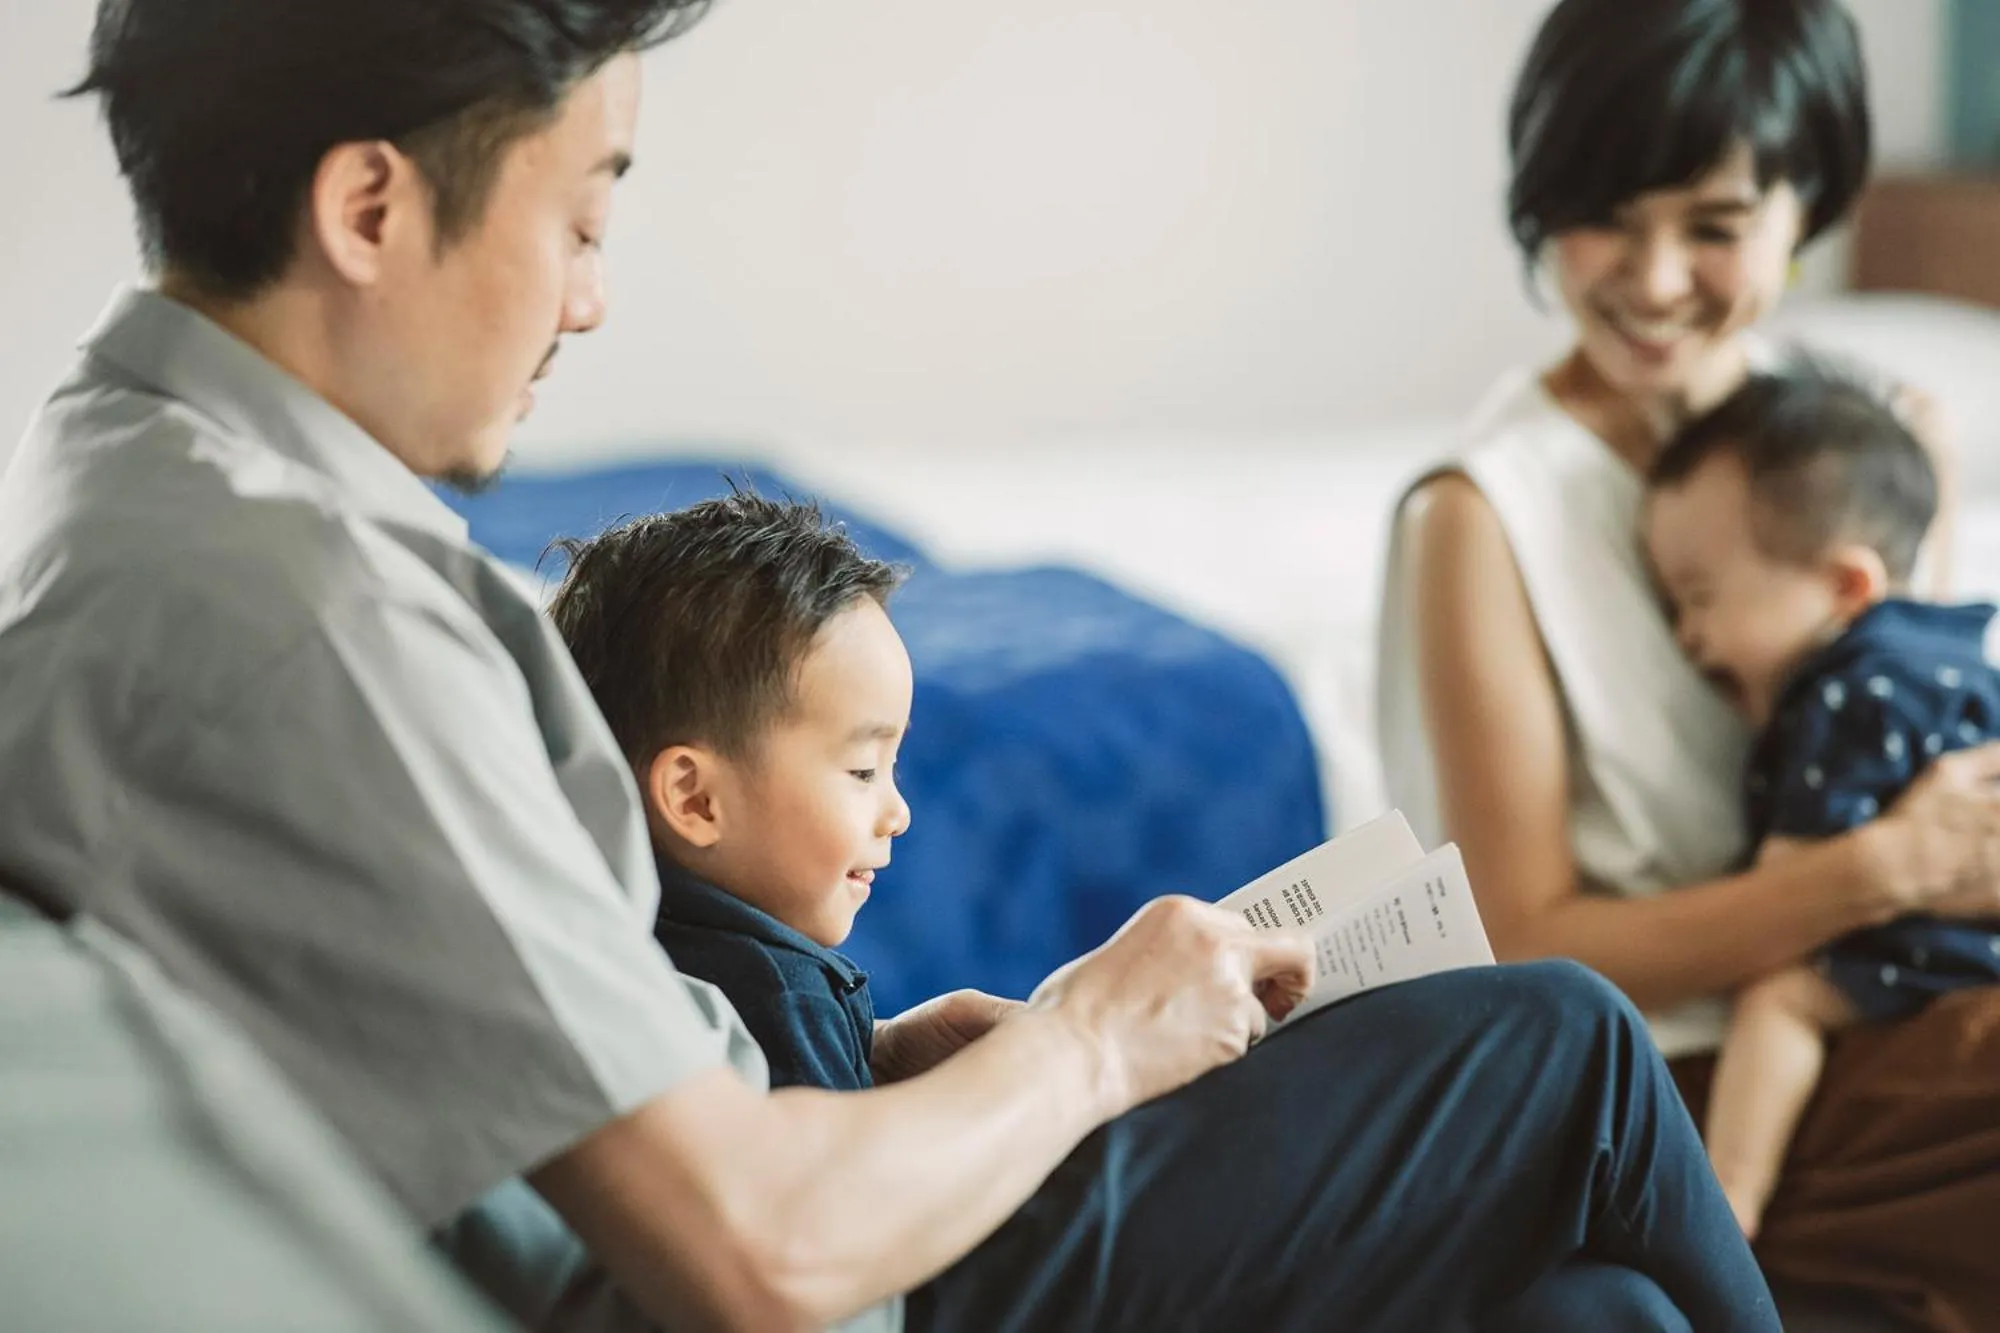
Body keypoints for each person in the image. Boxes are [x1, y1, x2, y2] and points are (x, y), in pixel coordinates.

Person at [0, 1, 1779, 1330]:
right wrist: (1088, 1035)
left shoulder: (139, 473)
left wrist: (912, 1060)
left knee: (1595, 1315)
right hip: (843, 1283)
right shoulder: (301, 606)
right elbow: (759, 1247)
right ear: (372, 210)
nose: (589, 301)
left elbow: (502, 1025)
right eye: (586, 220)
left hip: (774, 1178)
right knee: (1564, 1040)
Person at [1378, 0, 2000, 1326]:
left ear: (1804, 212)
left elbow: (1929, 760)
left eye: (1715, 227)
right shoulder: (1481, 517)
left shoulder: (1872, 445)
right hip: (1673, 1079)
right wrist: (1875, 870)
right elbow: (1531, 947)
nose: (1656, 282)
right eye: (1609, 214)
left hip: (1889, 1006)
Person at [1642, 365, 2000, 1241]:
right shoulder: (1946, 649)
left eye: (1698, 599)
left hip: (1928, 941)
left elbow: (1792, 886)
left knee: (1781, 996)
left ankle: (1730, 1199)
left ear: (1844, 588)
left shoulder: (1846, 695)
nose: (1687, 640)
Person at [550, 495, 915, 1092]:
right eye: (863, 771)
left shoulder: (600, 940)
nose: (897, 814)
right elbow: (844, 1185)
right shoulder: (781, 997)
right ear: (696, 800)